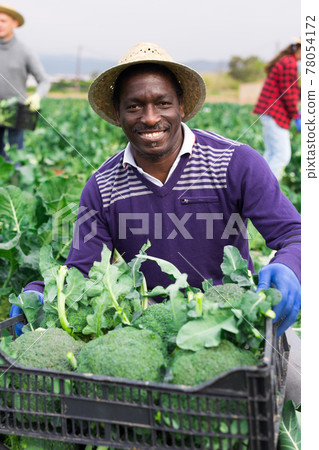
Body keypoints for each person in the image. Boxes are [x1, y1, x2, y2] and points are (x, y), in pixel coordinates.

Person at [11, 42, 301, 404]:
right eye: (134, 106)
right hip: (143, 331)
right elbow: (81, 270)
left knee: (299, 390)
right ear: (117, 114)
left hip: (234, 327)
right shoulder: (101, 187)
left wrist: (289, 267)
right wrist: (39, 292)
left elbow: (295, 233)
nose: (150, 117)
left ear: (182, 106)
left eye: (162, 103)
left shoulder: (235, 162)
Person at [0, 3, 51, 160]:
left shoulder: (25, 51)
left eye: (3, 21)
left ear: (14, 23)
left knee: (15, 156)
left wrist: (37, 96)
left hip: (17, 111)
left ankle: (14, 184)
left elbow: (44, 81)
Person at [253, 38, 301, 179]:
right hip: (274, 113)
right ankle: (269, 192)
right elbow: (288, 93)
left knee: (271, 154)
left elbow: (292, 90)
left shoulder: (286, 61)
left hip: (269, 113)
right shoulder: (289, 63)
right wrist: (296, 115)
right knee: (282, 156)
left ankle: (258, 187)